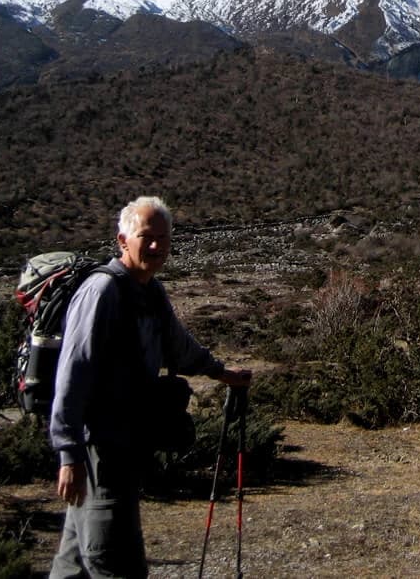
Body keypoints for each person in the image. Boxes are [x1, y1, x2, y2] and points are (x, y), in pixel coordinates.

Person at [49, 196, 251, 579]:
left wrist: (221, 373)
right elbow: (72, 375)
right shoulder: (102, 293)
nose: (156, 246)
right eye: (146, 236)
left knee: (73, 563)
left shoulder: (151, 292)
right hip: (99, 451)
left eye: (163, 237)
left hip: (124, 445)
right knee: (113, 560)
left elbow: (180, 347)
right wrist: (68, 453)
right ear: (123, 240)